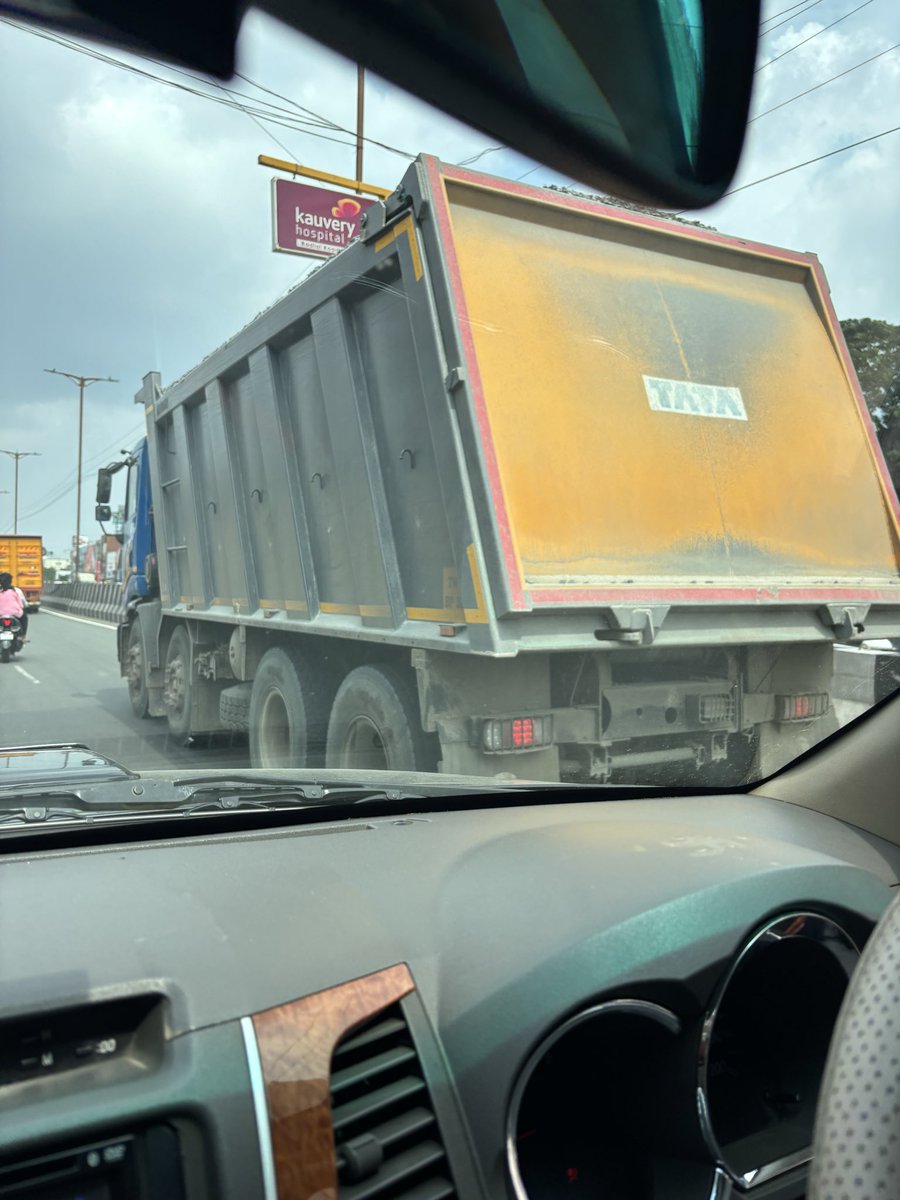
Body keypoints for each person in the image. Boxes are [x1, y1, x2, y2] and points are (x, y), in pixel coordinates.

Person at [0, 572, 26, 641]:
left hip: (1, 614)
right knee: (25, 618)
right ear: (10, 581)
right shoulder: (15, 591)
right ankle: (23, 636)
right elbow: (21, 605)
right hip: (15, 613)